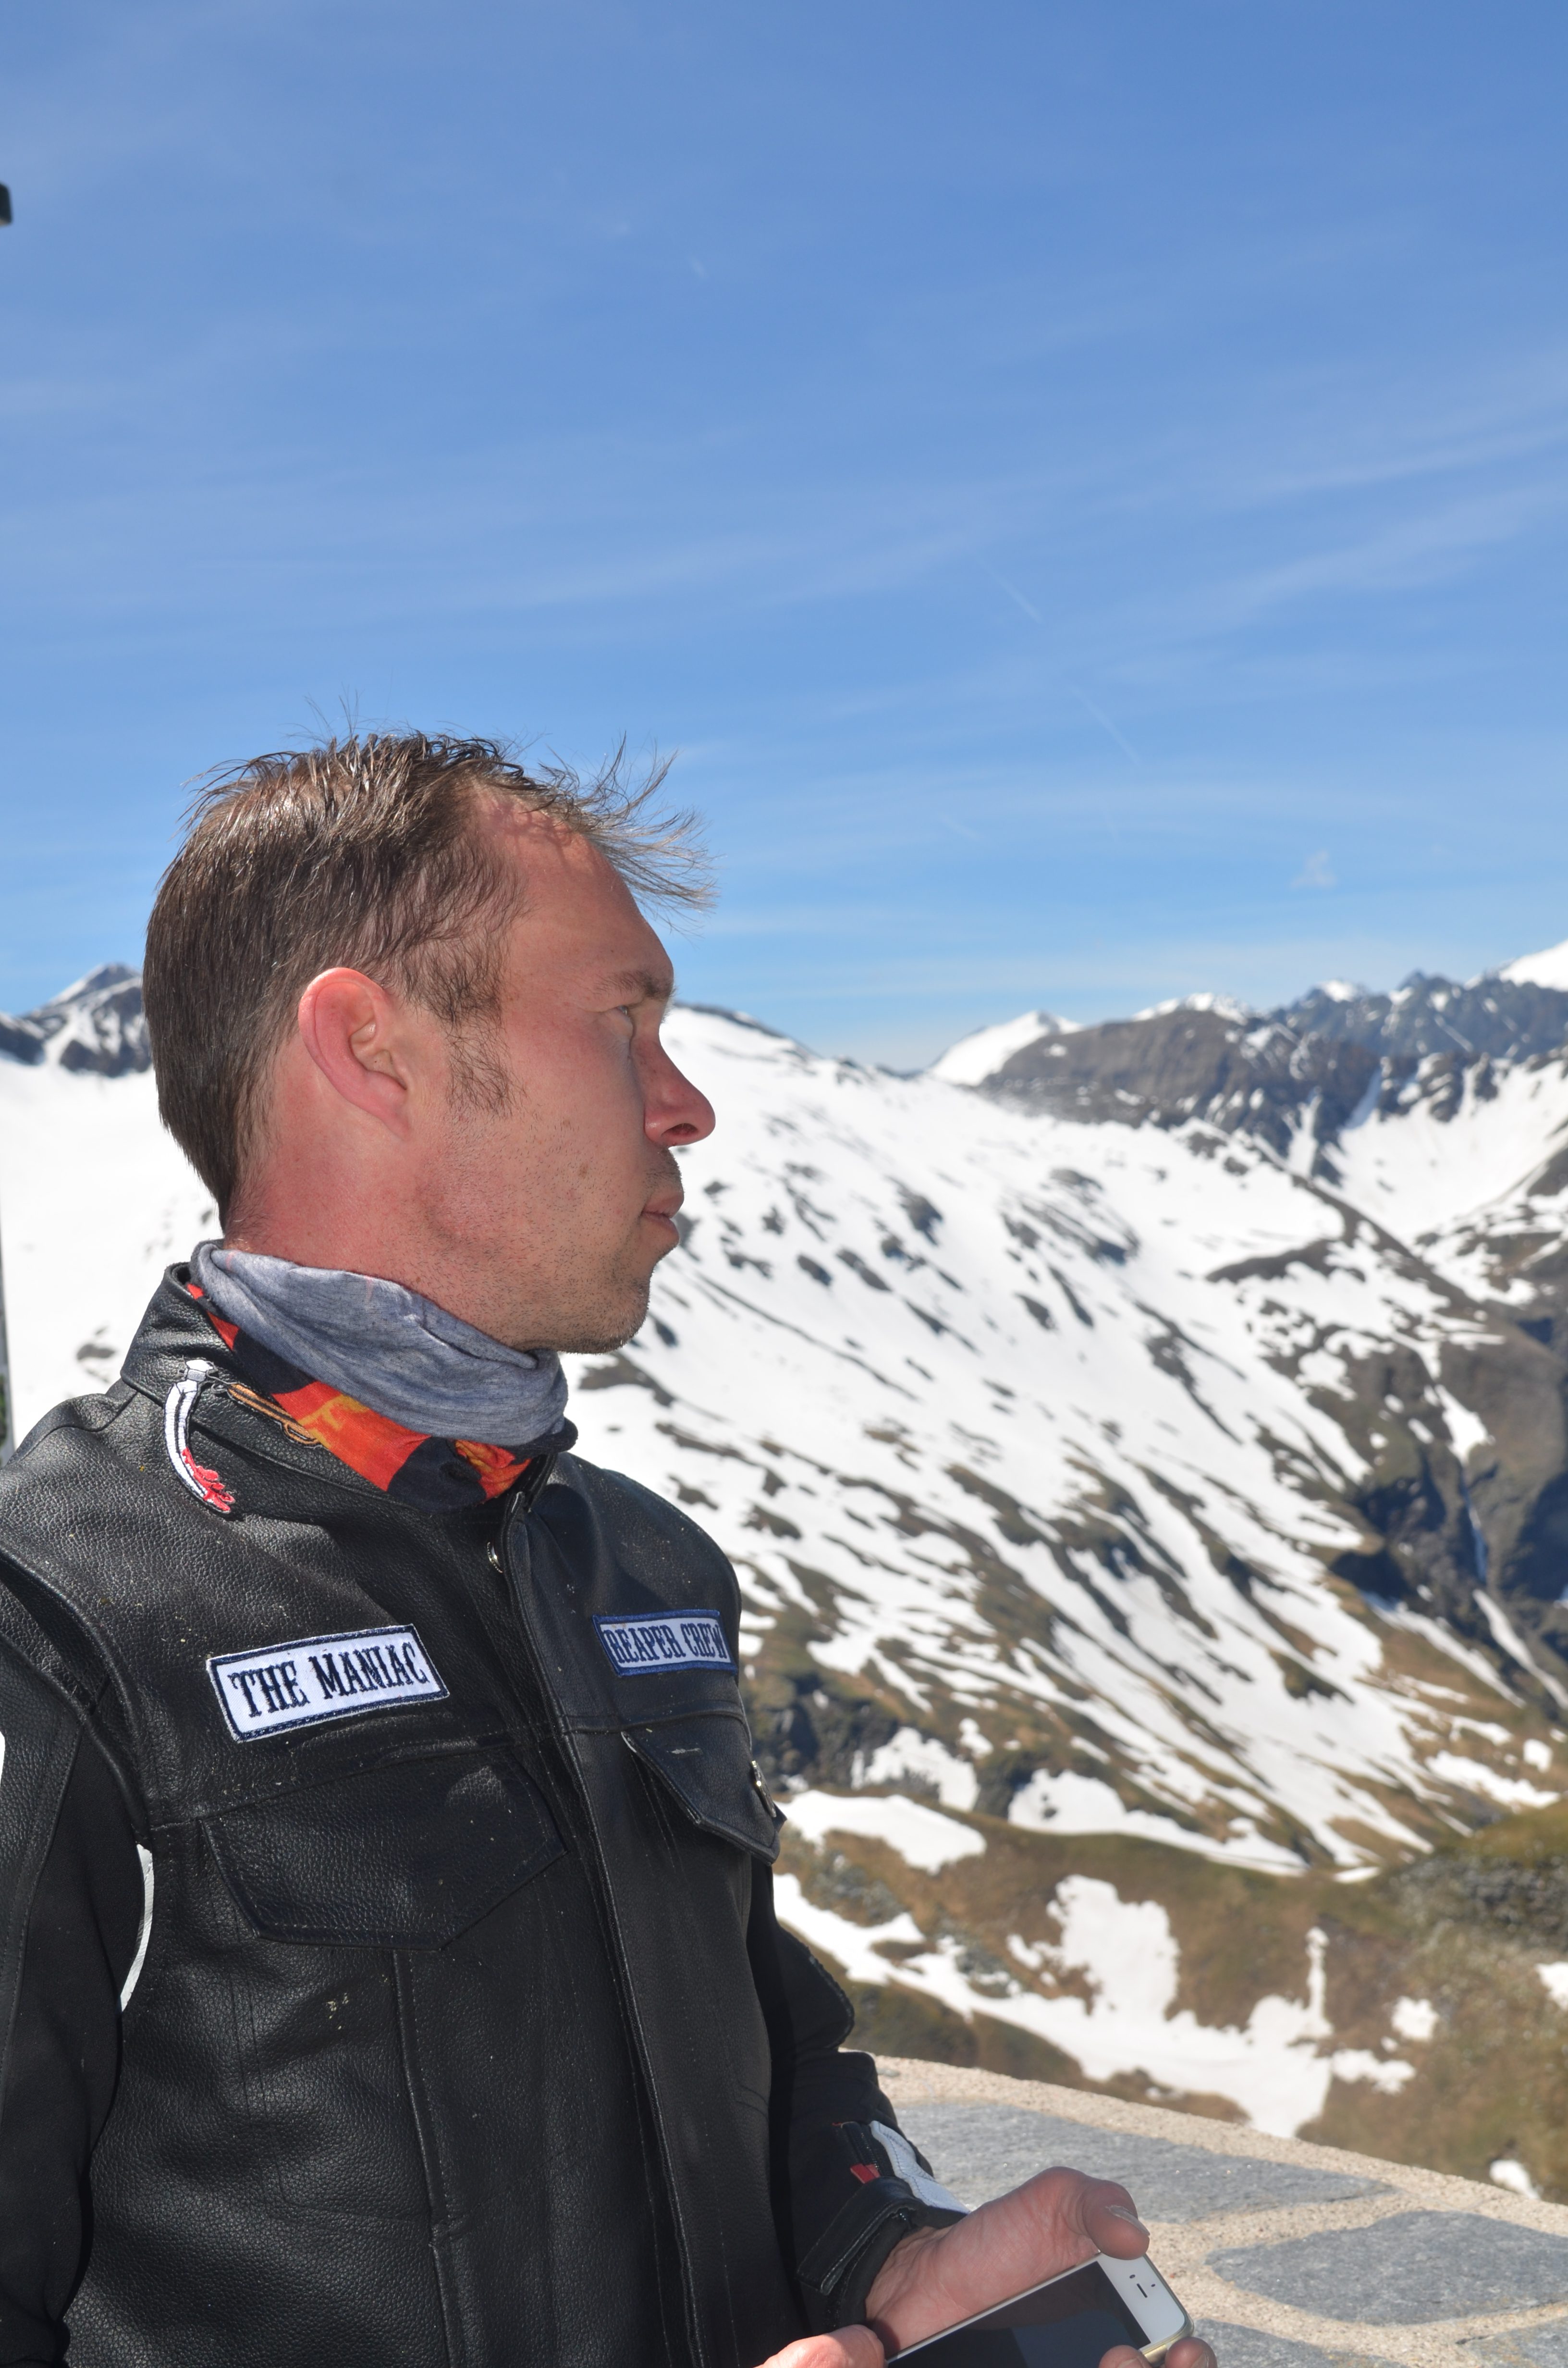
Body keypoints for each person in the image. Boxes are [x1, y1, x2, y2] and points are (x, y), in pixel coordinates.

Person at [0, 734, 1219, 2368]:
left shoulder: (639, 1568)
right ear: (371, 1050)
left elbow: (763, 2054)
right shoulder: (58, 1611)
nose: (687, 1103)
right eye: (624, 1020)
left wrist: (886, 2259)